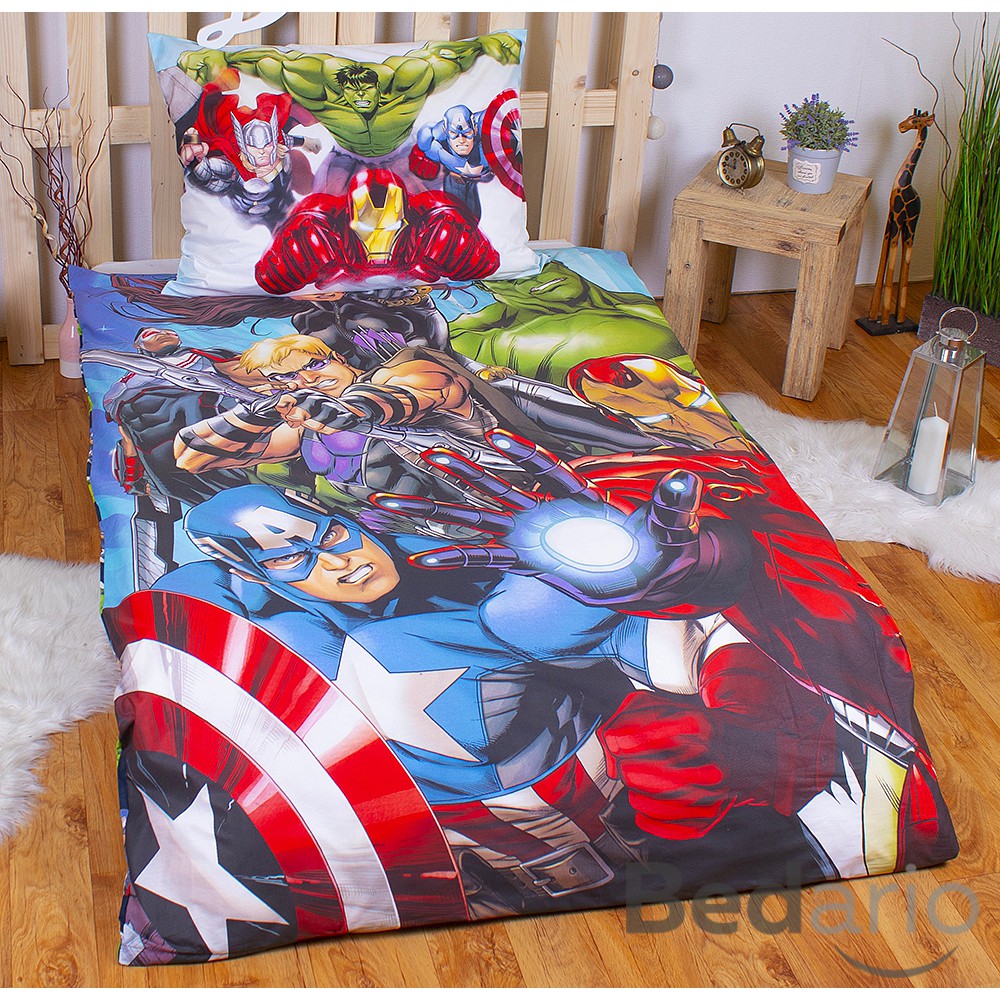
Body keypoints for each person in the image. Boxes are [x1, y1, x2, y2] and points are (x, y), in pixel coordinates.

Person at [177, 33, 522, 158]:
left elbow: (446, 62)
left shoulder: (408, 84)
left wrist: (482, 46)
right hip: (343, 155)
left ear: (380, 86)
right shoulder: (320, 93)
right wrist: (221, 60)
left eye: (366, 89)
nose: (360, 96)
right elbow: (271, 64)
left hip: (403, 152)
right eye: (352, 90)